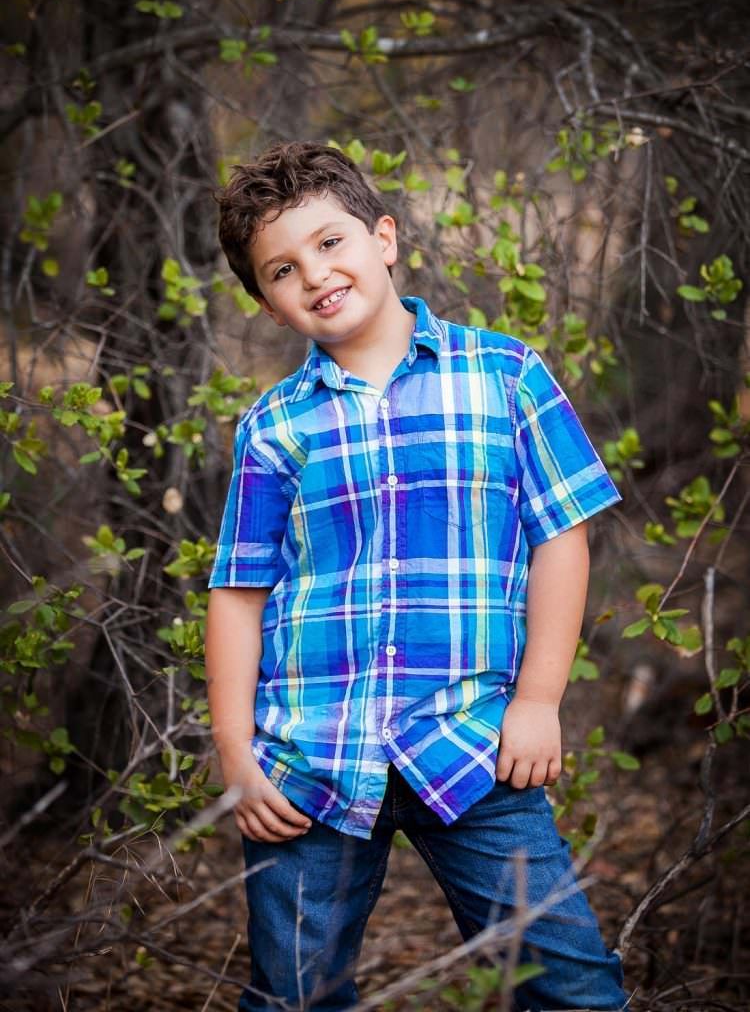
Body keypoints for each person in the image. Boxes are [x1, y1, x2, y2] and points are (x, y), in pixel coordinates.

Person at [206, 141, 627, 1012]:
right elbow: (239, 594)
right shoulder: (274, 426)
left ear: (385, 238)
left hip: (475, 746)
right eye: (282, 269)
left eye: (331, 243)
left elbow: (562, 539)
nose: (315, 274)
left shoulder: (504, 374)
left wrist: (540, 700)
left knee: (572, 990)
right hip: (311, 761)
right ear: (270, 305)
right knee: (293, 997)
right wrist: (237, 754)